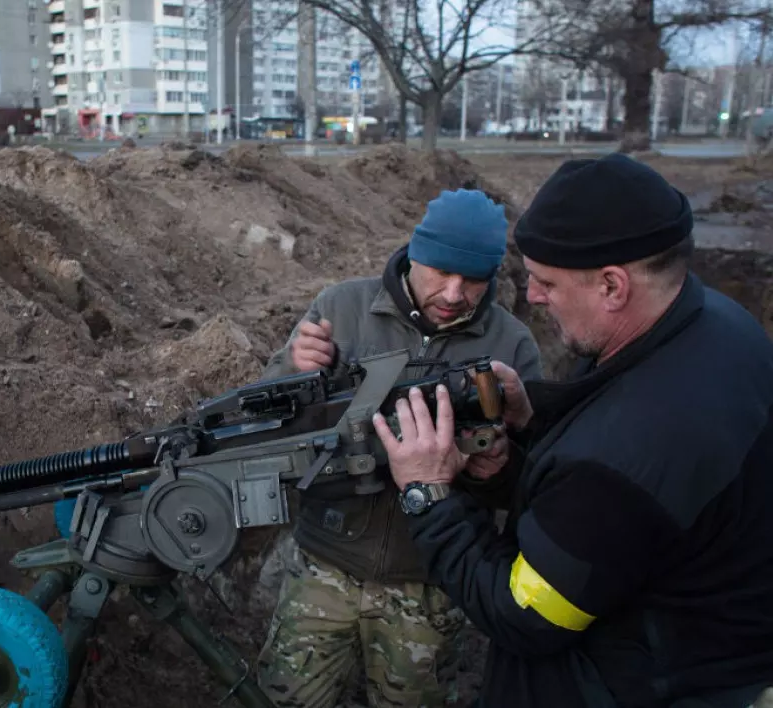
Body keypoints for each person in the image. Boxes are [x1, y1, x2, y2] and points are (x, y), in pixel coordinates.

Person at [373, 152, 773, 708]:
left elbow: (524, 616)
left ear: (613, 286)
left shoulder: (632, 452)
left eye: (545, 283)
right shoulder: (720, 326)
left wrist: (429, 494)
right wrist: (534, 416)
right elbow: (617, 508)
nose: (531, 296)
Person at [255, 188, 544, 708]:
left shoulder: (513, 346)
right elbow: (263, 418)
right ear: (414, 253)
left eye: (473, 279)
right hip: (324, 566)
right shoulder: (341, 308)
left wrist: (492, 468)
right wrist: (292, 370)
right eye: (440, 272)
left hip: (431, 588)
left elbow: (532, 483)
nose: (454, 293)